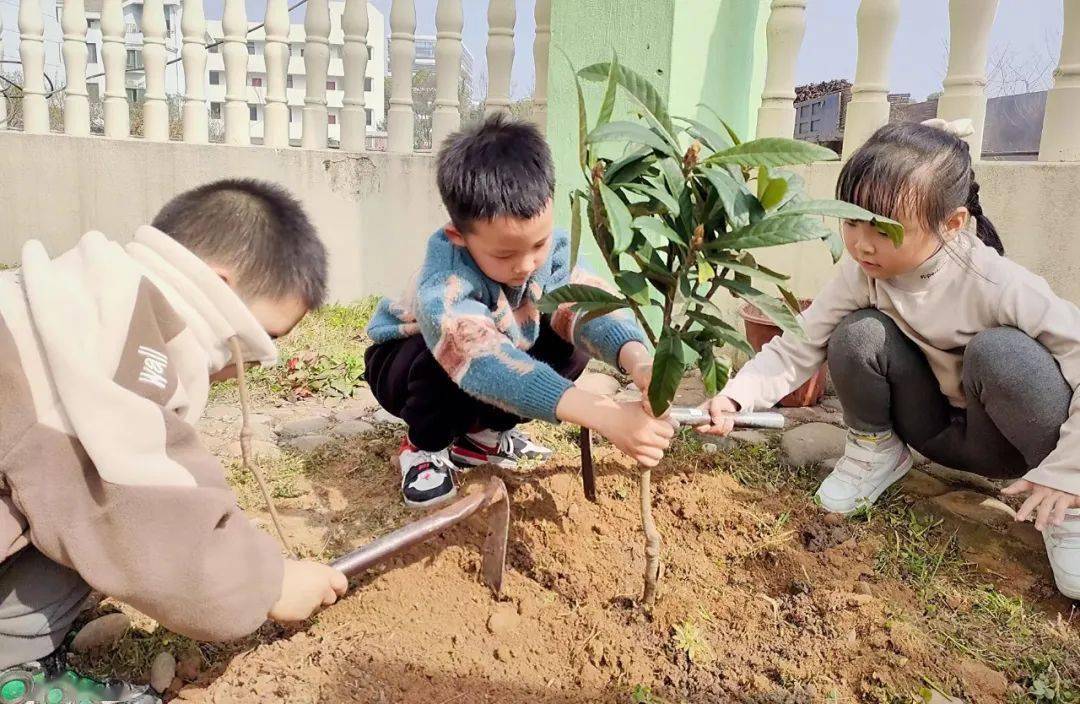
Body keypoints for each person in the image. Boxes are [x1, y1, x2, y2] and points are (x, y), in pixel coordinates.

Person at [698, 119, 1080, 600]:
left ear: (953, 224)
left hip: (1007, 443)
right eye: (852, 221)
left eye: (883, 228)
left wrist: (1071, 470)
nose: (861, 243)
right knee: (856, 333)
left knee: (999, 351)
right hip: (934, 432)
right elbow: (800, 341)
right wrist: (736, 398)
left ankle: (1068, 511)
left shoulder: (998, 284)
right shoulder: (862, 274)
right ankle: (876, 452)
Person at [0, 179, 348, 702]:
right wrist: (269, 584)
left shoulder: (76, 299)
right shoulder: (116, 344)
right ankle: (13, 667)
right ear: (217, 288)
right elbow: (151, 516)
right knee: (105, 506)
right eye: (264, 340)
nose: (254, 365)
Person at [365, 114, 674, 508]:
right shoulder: (446, 279)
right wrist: (605, 416)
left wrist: (639, 361)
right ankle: (424, 447)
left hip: (500, 345)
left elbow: (585, 302)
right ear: (459, 236)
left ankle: (482, 439)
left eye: (538, 244)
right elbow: (480, 362)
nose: (527, 265)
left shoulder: (551, 251)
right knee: (447, 359)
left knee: (571, 342)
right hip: (409, 364)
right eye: (505, 254)